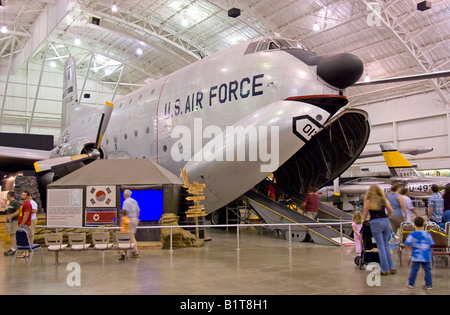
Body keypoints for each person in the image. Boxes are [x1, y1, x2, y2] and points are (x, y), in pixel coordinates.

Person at [362, 185, 395, 276]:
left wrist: (364, 219)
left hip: (375, 223)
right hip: (385, 221)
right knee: (386, 245)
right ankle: (391, 266)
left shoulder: (369, 201)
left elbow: (364, 215)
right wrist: (386, 217)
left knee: (380, 246)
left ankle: (384, 269)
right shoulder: (384, 199)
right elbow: (391, 210)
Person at [404, 216, 434, 290]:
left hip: (416, 255)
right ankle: (429, 284)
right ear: (424, 224)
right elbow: (431, 243)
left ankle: (411, 284)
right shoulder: (427, 234)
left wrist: (409, 249)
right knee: (427, 270)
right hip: (426, 255)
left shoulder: (413, 234)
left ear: (414, 224)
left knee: (414, 270)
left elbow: (407, 243)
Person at [122, 190, 140, 258]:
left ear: (125, 195)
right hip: (135, 219)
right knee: (131, 235)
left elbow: (125, 212)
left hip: (129, 220)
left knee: (131, 236)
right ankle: (124, 250)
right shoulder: (134, 201)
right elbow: (138, 211)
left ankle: (136, 251)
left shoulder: (126, 202)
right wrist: (136, 218)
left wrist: (125, 221)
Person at [4, 191, 21, 256]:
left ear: (9, 195)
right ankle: (12, 248)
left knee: (13, 234)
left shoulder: (15, 202)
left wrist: (12, 215)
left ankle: (14, 249)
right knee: (11, 234)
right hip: (10, 221)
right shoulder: (10, 203)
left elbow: (19, 211)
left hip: (14, 221)